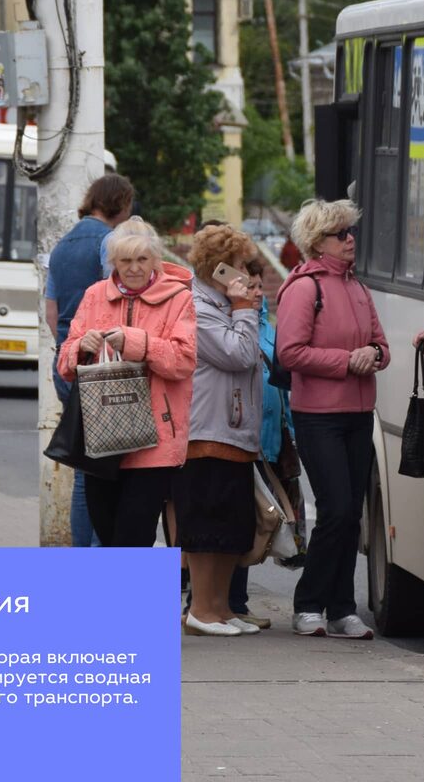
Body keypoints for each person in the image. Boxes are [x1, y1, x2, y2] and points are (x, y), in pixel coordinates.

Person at [278, 198, 389, 639]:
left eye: (351, 232)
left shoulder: (358, 289)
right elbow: (290, 352)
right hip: (318, 416)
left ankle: (343, 608)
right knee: (336, 509)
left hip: (359, 415)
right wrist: (347, 361)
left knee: (351, 515)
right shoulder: (306, 287)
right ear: (316, 242)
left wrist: (374, 354)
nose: (350, 240)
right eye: (340, 234)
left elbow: (382, 346)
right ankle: (308, 603)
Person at [57, 218, 196, 548]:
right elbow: (64, 362)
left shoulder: (179, 298)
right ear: (113, 263)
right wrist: (80, 348)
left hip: (155, 441)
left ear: (155, 260)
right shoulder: (94, 296)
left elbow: (184, 360)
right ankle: (120, 599)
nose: (133, 268)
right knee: (107, 534)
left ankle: (131, 599)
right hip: (101, 437)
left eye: (142, 260)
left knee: (134, 538)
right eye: (125, 261)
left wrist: (136, 342)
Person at [177, 225, 266, 637]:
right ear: (222, 271)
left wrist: (243, 308)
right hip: (207, 429)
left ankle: (220, 607)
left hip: (233, 430)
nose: (251, 276)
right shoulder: (198, 307)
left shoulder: (222, 304)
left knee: (230, 523)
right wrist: (246, 311)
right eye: (244, 267)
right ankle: (201, 610)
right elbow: (240, 354)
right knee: (205, 523)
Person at [43, 174, 136, 548]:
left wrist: (69, 348)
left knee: (86, 464)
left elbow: (52, 312)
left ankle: (86, 553)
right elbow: (111, 300)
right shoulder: (108, 243)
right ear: (120, 203)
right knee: (101, 472)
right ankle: (96, 553)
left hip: (68, 359)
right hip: (101, 365)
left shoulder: (61, 245)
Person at [230, 261, 292, 624]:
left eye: (258, 287)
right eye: (249, 286)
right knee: (236, 524)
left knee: (253, 524)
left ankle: (236, 602)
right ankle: (223, 603)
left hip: (269, 445)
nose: (256, 293)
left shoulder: (268, 327)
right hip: (238, 440)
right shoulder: (232, 324)